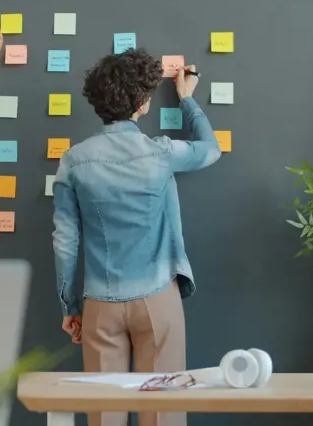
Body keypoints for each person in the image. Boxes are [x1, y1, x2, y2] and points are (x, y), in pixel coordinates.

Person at [51, 48, 221, 426]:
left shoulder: (73, 161)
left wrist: (69, 306)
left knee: (104, 417)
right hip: (158, 297)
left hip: (100, 303)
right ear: (143, 103)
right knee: (162, 416)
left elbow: (65, 239)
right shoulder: (158, 153)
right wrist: (188, 99)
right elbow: (212, 149)